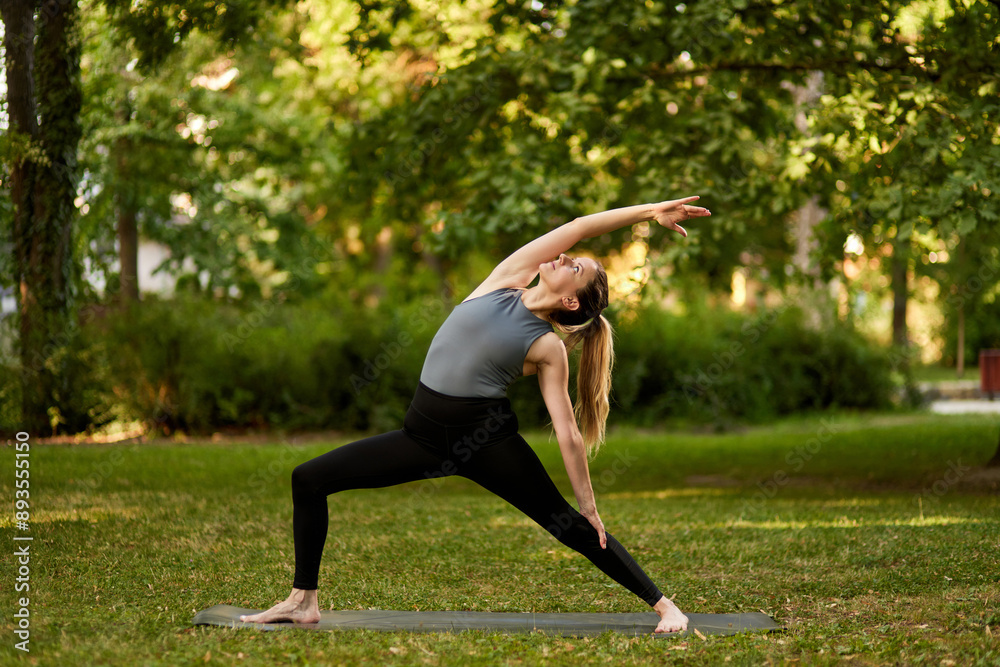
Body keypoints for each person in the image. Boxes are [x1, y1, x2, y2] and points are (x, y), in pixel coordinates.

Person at [241, 196, 711, 633]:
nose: (566, 256)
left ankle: (664, 604)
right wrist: (650, 212)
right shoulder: (506, 280)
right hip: (420, 437)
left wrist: (589, 503)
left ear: (571, 300)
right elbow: (580, 226)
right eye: (573, 256)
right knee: (309, 478)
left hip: (486, 442)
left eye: (576, 267)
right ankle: (303, 600)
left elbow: (567, 432)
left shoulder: (548, 347)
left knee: (569, 525)